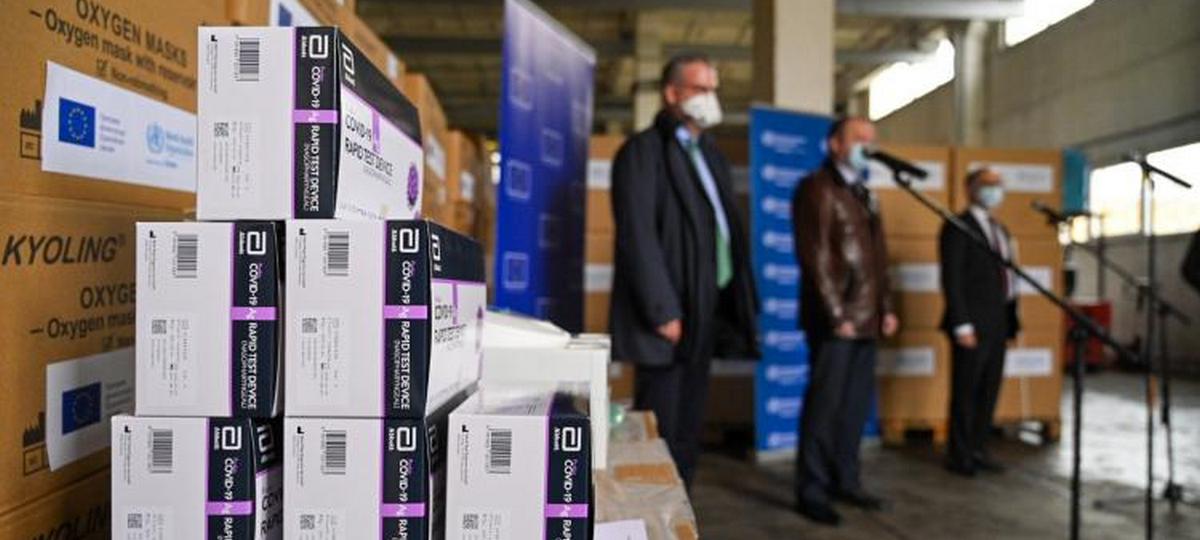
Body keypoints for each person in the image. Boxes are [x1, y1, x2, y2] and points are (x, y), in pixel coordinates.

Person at [608, 53, 759, 488]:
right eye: (700, 88)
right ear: (672, 94)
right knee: (661, 422)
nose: (710, 97)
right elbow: (638, 235)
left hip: (705, 306)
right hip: (669, 315)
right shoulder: (643, 152)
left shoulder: (709, 156)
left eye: (714, 89)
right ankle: (654, 505)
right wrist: (662, 310)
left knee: (690, 421)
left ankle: (681, 504)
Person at [790, 117, 898, 526]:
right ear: (835, 143)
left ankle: (846, 480)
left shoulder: (864, 192)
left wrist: (886, 307)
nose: (866, 146)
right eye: (858, 139)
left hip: (868, 318)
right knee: (825, 407)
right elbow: (816, 257)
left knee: (854, 408)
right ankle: (812, 490)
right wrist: (836, 314)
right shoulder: (817, 188)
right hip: (837, 320)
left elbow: (878, 259)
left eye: (871, 140)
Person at [939, 167, 1020, 477]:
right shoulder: (958, 225)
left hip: (998, 322)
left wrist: (1011, 320)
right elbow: (952, 278)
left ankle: (979, 448)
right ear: (970, 188)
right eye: (987, 184)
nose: (994, 190)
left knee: (989, 391)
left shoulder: (1000, 230)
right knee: (966, 391)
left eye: (998, 184)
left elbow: (1008, 278)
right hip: (971, 325)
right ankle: (960, 455)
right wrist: (961, 324)